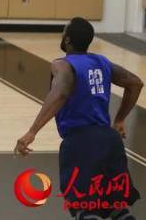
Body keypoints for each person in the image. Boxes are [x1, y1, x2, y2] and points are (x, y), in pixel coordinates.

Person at [15, 18, 141, 220]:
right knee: (118, 210)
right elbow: (135, 83)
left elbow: (60, 93)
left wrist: (32, 131)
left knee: (86, 210)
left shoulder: (62, 65)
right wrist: (119, 120)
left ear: (67, 39)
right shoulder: (102, 62)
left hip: (81, 143)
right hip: (110, 141)